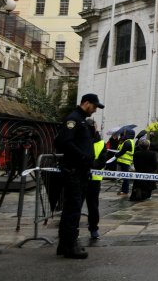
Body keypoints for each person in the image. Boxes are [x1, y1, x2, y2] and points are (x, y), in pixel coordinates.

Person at [56, 93, 104, 259]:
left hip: (80, 171)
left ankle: (64, 244)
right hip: (74, 170)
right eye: (94, 106)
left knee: (72, 208)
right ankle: (70, 245)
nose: (95, 110)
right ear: (86, 103)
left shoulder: (81, 120)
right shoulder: (74, 119)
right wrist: (83, 157)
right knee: (73, 209)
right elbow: (65, 142)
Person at [85, 119, 108, 240]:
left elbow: (102, 161)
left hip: (94, 179)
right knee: (75, 205)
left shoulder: (101, 143)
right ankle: (73, 230)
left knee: (93, 206)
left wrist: (89, 165)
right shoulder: (81, 140)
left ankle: (93, 228)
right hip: (80, 178)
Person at [114, 129, 136, 196]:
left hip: (125, 162)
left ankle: (125, 191)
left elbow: (123, 151)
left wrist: (116, 155)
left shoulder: (128, 142)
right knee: (124, 177)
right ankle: (123, 190)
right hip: (124, 162)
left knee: (126, 177)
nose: (124, 134)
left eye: (125, 133)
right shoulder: (129, 141)